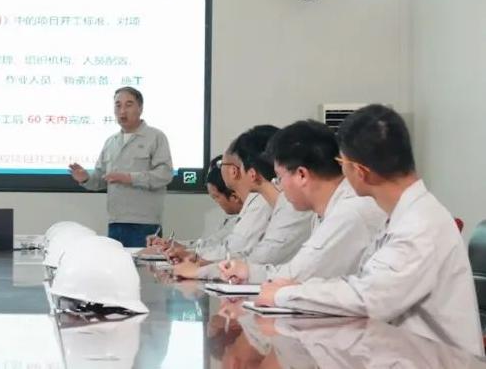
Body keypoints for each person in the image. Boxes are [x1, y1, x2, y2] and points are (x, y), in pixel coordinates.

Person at [257, 105, 484, 356]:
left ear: (360, 172)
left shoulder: (420, 224)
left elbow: (369, 299)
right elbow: (364, 283)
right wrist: (299, 289)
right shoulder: (405, 214)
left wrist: (287, 294)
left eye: (341, 163)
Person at [216, 120, 386, 284]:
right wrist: (248, 271)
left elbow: (299, 275)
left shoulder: (348, 212)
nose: (279, 187)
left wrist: (249, 272)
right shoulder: (326, 210)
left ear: (302, 175)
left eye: (279, 178)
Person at [175, 124, 313, 279]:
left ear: (252, 173)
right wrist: (205, 263)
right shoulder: (279, 204)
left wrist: (201, 270)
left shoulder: (294, 209)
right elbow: (252, 254)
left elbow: (259, 260)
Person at [68, 87, 173, 247]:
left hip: (145, 224)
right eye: (118, 105)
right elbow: (101, 179)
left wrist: (129, 178)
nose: (122, 111)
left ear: (140, 108)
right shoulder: (111, 142)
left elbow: (164, 175)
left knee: (143, 264)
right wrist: (86, 178)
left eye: (128, 105)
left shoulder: (156, 137)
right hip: (115, 222)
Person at [158, 156, 245, 260]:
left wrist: (189, 253)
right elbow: (212, 243)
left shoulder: (250, 215)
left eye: (216, 197)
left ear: (234, 196)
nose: (216, 202)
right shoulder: (233, 216)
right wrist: (180, 246)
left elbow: (227, 251)